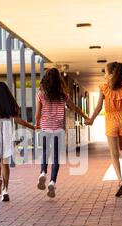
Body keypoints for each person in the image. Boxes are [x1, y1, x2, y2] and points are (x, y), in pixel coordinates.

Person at [85, 62, 122, 197]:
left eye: (105, 73)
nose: (104, 75)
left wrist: (92, 119)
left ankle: (120, 181)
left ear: (111, 75)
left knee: (113, 153)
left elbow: (99, 107)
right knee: (121, 148)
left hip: (111, 120)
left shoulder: (103, 88)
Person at [35, 68, 89, 198]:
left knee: (45, 153)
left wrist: (37, 124)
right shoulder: (62, 94)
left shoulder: (41, 94)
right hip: (57, 129)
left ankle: (43, 173)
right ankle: (52, 182)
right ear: (59, 80)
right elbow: (74, 107)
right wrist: (85, 117)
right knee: (55, 157)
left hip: (45, 127)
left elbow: (37, 113)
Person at [0, 82, 36, 201]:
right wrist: (32, 127)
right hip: (6, 132)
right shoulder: (10, 103)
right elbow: (17, 119)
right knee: (5, 163)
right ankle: (5, 191)